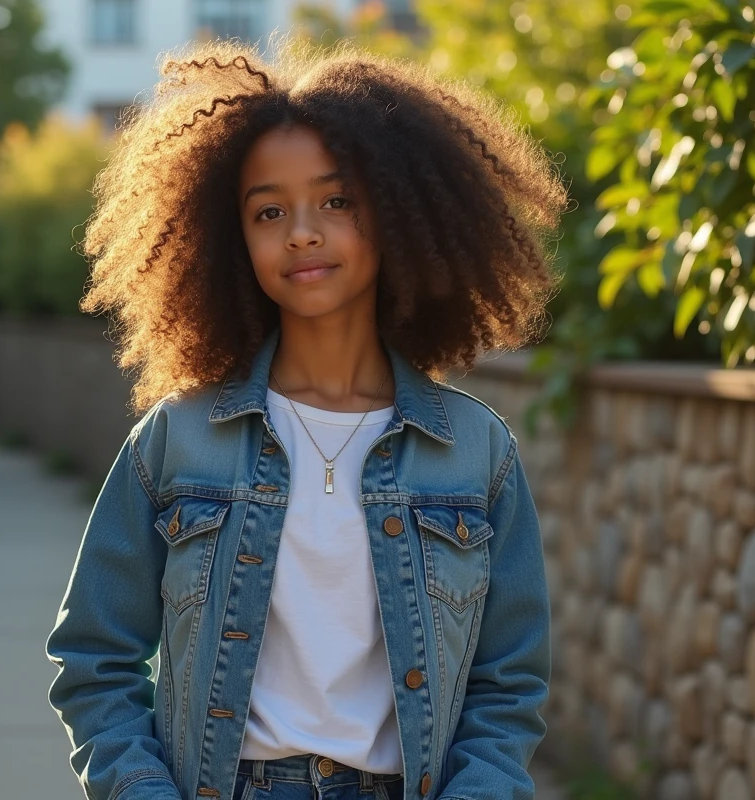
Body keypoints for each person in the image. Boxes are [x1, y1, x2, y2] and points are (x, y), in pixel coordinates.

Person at [45, 35, 566, 800]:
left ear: (396, 213)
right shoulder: (177, 442)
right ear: (232, 240)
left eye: (337, 200)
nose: (302, 232)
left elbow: (509, 683)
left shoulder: (474, 452)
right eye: (268, 211)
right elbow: (94, 660)